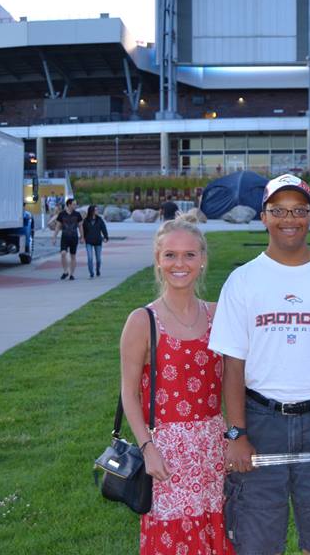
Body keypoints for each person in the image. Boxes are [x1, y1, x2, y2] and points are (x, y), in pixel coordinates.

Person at [209, 173, 310, 555]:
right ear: (263, 217)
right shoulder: (243, 280)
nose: (289, 219)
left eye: (299, 210)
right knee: (257, 541)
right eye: (278, 210)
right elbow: (232, 366)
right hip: (260, 419)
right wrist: (236, 435)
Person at [118, 215, 233, 554]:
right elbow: (129, 392)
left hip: (213, 447)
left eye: (189, 255)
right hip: (166, 453)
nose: (179, 264)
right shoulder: (143, 321)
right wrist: (147, 448)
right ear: (158, 259)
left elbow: (233, 382)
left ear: (203, 259)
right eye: (170, 255)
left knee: (217, 534)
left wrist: (235, 437)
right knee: (174, 539)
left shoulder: (218, 315)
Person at [51, 198, 83, 280]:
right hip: (64, 237)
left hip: (74, 237)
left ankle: (72, 274)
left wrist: (82, 237)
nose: (75, 206)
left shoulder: (77, 214)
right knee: (63, 253)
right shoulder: (62, 214)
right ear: (69, 205)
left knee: (73, 256)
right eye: (74, 204)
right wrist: (54, 237)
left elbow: (80, 226)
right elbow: (58, 226)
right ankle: (65, 271)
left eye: (75, 204)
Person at [82, 205, 109, 278]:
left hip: (98, 241)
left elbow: (103, 228)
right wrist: (82, 238)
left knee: (98, 259)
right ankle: (91, 272)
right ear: (92, 211)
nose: (97, 211)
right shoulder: (86, 220)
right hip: (89, 241)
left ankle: (97, 270)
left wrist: (106, 237)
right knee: (90, 258)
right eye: (96, 210)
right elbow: (83, 230)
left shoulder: (99, 219)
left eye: (97, 210)